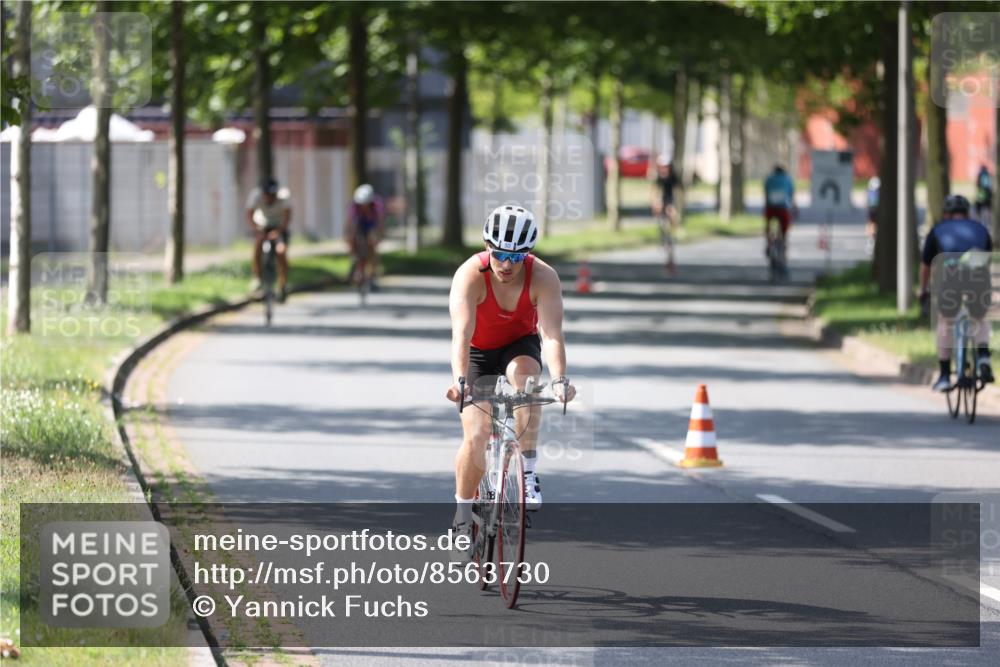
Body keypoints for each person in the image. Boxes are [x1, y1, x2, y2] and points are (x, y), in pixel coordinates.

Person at [445, 205, 576, 555]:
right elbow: (461, 334)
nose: (506, 264)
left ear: (527, 255)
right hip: (477, 350)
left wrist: (561, 379)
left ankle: (528, 470)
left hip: (518, 345)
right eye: (499, 254)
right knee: (474, 435)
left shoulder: (544, 277)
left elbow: (551, 335)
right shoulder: (470, 274)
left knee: (528, 381)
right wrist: (460, 380)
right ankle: (461, 516)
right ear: (488, 248)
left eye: (515, 257)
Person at [919, 194, 994, 392]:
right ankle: (984, 355)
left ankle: (944, 376)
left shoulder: (938, 230)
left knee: (945, 320)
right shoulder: (981, 229)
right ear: (968, 213)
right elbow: (987, 259)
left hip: (951, 275)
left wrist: (923, 291)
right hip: (978, 272)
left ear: (946, 214)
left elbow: (925, 267)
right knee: (979, 317)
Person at [246, 178, 292, 301]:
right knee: (258, 244)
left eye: (272, 195)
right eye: (267, 195)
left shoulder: (284, 196)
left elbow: (287, 218)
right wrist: (257, 230)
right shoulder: (255, 196)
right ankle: (257, 278)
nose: (270, 198)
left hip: (279, 226)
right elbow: (250, 215)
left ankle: (283, 284)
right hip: (262, 225)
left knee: (281, 251)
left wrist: (278, 232)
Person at [345, 184, 385, 289]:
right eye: (362, 204)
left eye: (366, 204)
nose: (364, 206)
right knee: (352, 237)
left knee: (372, 242)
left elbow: (380, 223)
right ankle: (354, 260)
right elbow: (349, 223)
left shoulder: (377, 205)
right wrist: (348, 236)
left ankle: (373, 276)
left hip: (371, 223)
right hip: (360, 223)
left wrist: (379, 235)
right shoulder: (354, 206)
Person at [651, 156, 679, 272]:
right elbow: (654, 192)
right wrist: (655, 204)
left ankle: (670, 252)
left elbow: (678, 193)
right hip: (661, 206)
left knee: (669, 229)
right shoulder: (658, 178)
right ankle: (664, 244)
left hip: (670, 206)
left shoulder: (673, 179)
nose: (664, 168)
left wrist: (675, 208)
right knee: (662, 228)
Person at [763, 164, 797, 254]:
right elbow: (791, 194)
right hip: (783, 208)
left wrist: (766, 206)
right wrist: (795, 207)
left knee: (768, 224)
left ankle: (769, 243)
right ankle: (784, 241)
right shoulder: (787, 179)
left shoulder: (769, 179)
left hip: (771, 208)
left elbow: (766, 193)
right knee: (785, 225)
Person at [865, 176, 880, 253]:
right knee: (872, 224)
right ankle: (871, 240)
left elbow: (867, 199)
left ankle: (870, 240)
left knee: (871, 224)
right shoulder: (877, 187)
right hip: (875, 209)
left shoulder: (870, 188)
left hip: (871, 208)